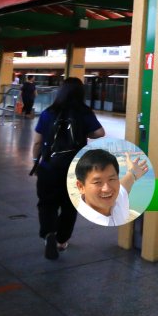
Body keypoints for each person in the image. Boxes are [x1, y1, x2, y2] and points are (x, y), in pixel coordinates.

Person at [32, 77, 104, 259]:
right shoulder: (84, 112)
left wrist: (36, 160)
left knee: (47, 204)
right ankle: (62, 240)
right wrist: (83, 132)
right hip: (75, 168)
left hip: (49, 167)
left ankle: (49, 233)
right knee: (70, 205)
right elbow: (100, 133)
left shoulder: (49, 112)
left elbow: (37, 142)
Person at [72, 147, 147, 228]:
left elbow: (125, 185)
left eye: (111, 179)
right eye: (97, 182)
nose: (107, 189)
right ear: (81, 187)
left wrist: (132, 173)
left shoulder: (117, 200)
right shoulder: (79, 226)